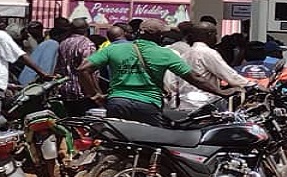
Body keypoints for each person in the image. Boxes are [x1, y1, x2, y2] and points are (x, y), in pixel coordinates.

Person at [79, 18, 231, 126]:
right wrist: (221, 92)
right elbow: (195, 78)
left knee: (119, 143)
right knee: (154, 148)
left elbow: (83, 69)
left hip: (117, 103)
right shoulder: (165, 54)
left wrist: (95, 95)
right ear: (159, 36)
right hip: (148, 105)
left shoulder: (114, 48)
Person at [0, 13, 52, 121]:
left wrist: (9, 85)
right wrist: (42, 73)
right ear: (2, 25)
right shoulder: (0, 35)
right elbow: (20, 56)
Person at [168, 21, 253, 110]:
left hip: (184, 102)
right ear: (209, 34)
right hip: (204, 103)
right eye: (215, 34)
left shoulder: (186, 54)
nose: (216, 38)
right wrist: (252, 86)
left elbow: (173, 81)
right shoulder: (207, 52)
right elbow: (229, 75)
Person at [56, 22, 97, 116]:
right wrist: (95, 92)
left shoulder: (63, 43)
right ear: (86, 29)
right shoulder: (87, 44)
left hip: (65, 90)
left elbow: (58, 67)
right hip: (82, 91)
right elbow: (89, 69)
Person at [19, 18, 66, 85]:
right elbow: (46, 68)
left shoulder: (45, 43)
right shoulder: (52, 44)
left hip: (28, 81)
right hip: (33, 84)